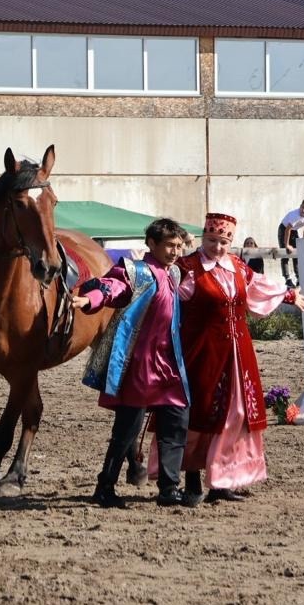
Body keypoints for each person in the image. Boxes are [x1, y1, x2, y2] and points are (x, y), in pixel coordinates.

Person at [177, 212, 304, 504]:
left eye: (223, 241)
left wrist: (288, 296)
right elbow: (166, 296)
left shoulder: (236, 266)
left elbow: (256, 287)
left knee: (234, 415)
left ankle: (222, 481)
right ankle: (191, 480)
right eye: (212, 240)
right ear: (203, 238)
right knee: (200, 413)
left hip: (238, 354)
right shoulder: (187, 268)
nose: (217, 246)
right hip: (202, 353)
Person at [76, 218, 192, 509]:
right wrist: (90, 300)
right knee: (128, 428)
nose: (175, 251)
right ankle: (105, 486)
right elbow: (112, 287)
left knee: (177, 420)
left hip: (169, 362)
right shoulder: (136, 271)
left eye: (178, 245)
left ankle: (169, 488)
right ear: (151, 244)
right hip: (140, 364)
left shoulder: (174, 274)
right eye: (169, 245)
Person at [276, 198, 304, 288]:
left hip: (294, 231)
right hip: (284, 229)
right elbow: (287, 230)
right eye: (302, 207)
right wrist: (286, 245)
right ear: (300, 206)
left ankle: (298, 278)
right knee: (286, 253)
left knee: (297, 254)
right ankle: (287, 278)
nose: (303, 210)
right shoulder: (295, 215)